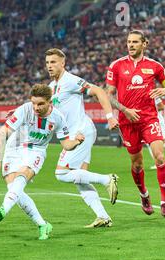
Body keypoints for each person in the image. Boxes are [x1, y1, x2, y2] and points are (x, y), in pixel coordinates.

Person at [0, 84, 85, 239]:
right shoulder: (25, 109)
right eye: (33, 103)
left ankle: (3, 209)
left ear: (50, 102)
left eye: (40, 104)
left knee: (22, 176)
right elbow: (2, 133)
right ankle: (42, 224)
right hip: (14, 148)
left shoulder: (58, 118)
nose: (36, 107)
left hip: (36, 150)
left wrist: (77, 141)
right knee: (15, 190)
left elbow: (67, 145)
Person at [106, 30, 165, 217]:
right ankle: (144, 195)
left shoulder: (155, 66)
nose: (131, 45)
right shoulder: (117, 66)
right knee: (137, 165)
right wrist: (124, 110)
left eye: (135, 42)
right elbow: (109, 95)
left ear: (144, 44)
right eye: (129, 42)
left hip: (149, 119)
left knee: (160, 157)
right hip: (127, 121)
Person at [45, 48, 119, 228]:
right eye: (47, 63)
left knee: (61, 174)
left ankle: (107, 179)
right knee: (80, 178)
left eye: (53, 62)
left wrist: (110, 117)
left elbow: (100, 91)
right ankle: (103, 216)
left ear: (63, 63)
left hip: (80, 132)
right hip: (75, 134)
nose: (49, 66)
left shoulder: (70, 81)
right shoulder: (50, 88)